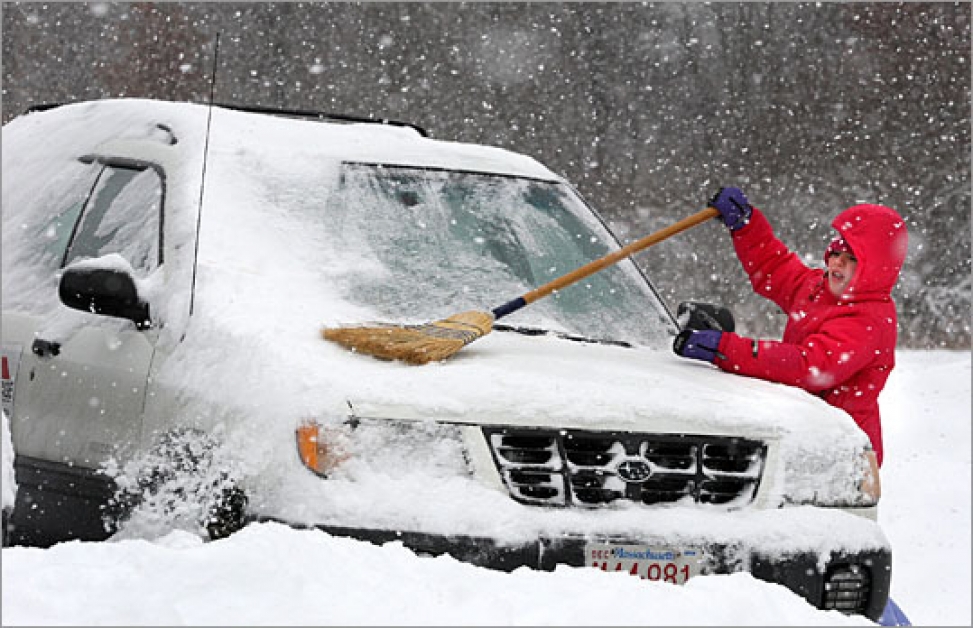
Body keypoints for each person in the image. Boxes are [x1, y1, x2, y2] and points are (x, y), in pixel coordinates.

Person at [672, 186, 909, 468]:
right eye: (836, 250)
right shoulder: (819, 290)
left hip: (840, 453)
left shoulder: (869, 319)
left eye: (852, 257)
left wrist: (726, 348)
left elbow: (809, 367)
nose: (837, 261)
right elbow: (774, 267)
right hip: (803, 431)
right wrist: (747, 225)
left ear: (877, 267)